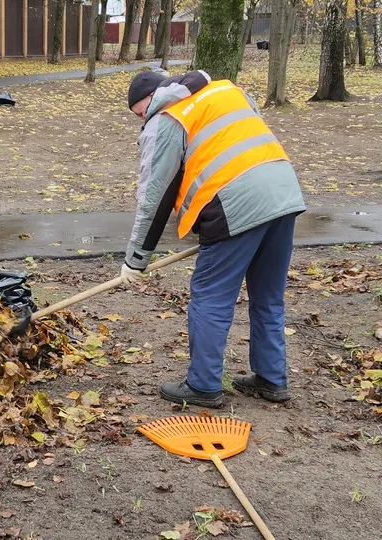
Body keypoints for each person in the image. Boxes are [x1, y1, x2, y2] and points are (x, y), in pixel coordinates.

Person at [121, 69, 306, 408]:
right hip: (283, 190)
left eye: (138, 112)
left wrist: (136, 260)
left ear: (151, 98)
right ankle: (271, 379)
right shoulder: (224, 90)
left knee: (210, 297)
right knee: (268, 295)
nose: (141, 120)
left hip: (235, 201)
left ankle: (203, 385)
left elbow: (155, 195)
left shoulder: (167, 116)